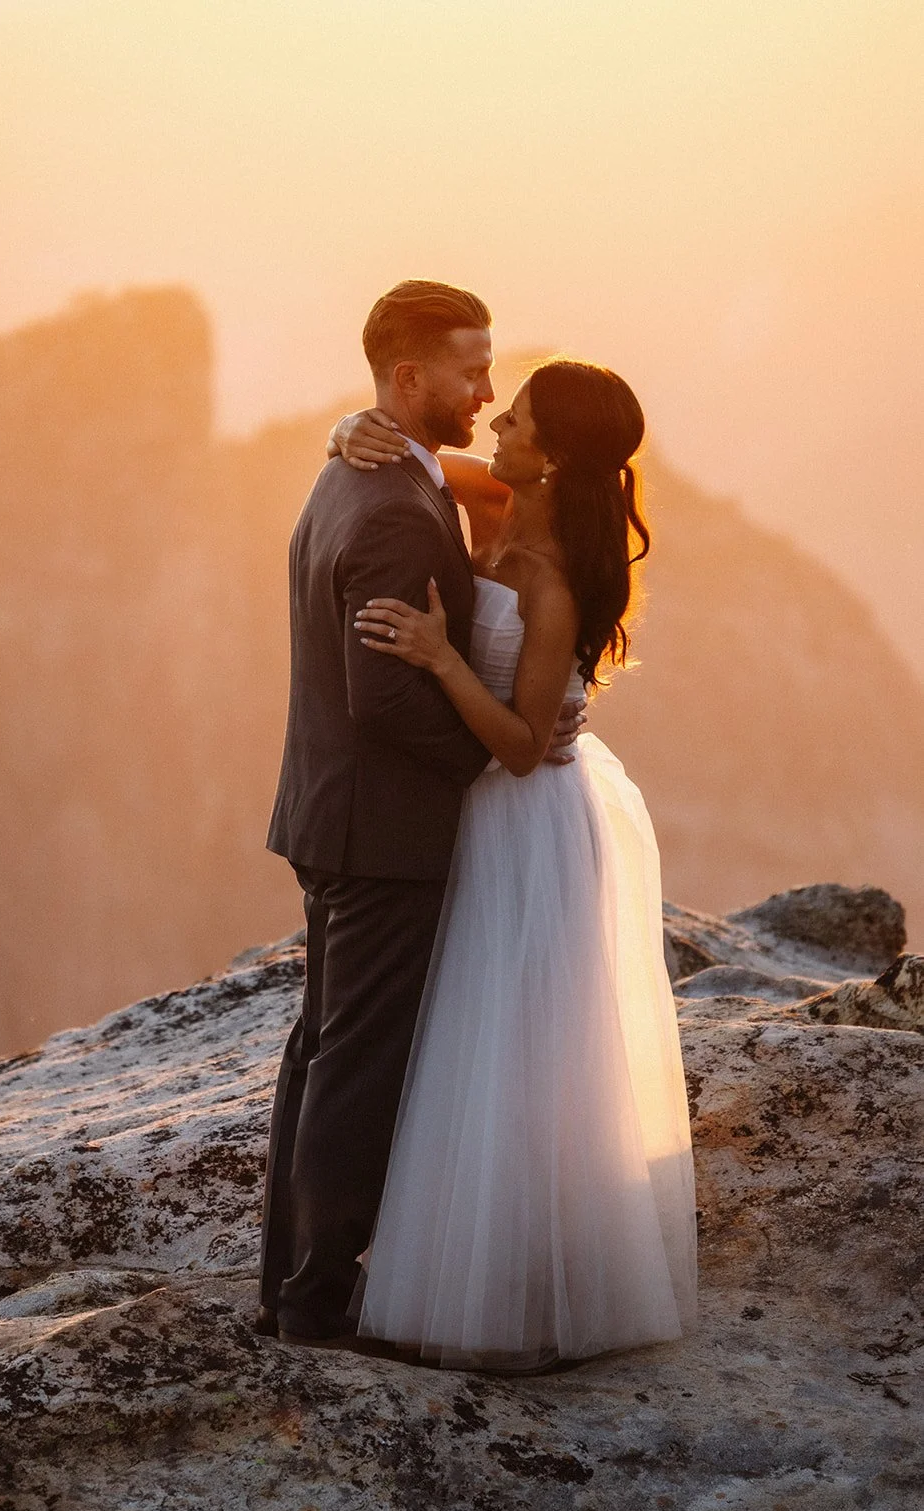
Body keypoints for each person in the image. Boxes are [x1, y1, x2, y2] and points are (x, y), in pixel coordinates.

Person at [341, 358, 697, 1372]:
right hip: (479, 809)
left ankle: (523, 1291)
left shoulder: (553, 582)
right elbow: (415, 460)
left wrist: (437, 653)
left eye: (519, 417)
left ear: (557, 452)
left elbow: (518, 738)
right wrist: (347, 428)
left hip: (527, 817)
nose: (494, 418)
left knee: (518, 1052)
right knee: (467, 1039)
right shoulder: (492, 494)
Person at [259, 281, 585, 1347]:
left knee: (321, 1048)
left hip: (329, 810)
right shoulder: (396, 505)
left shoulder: (370, 468)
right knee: (356, 1063)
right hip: (380, 826)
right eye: (469, 370)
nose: (487, 392)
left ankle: (289, 1282)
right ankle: (315, 1299)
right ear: (408, 379)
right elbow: (387, 695)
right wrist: (484, 765)